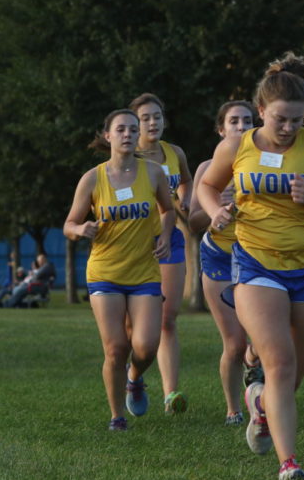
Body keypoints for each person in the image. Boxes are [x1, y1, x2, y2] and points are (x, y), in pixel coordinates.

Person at [198, 53, 304, 480]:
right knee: (281, 363)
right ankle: (290, 464)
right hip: (255, 262)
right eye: (280, 120)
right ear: (260, 112)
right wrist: (215, 211)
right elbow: (207, 184)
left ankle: (260, 407)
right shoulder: (237, 145)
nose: (288, 128)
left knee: (290, 380)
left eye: (296, 120)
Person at [64, 109, 175, 431]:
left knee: (146, 346)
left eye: (133, 129)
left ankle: (135, 378)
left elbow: (168, 210)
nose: (128, 134)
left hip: (144, 271)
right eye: (121, 129)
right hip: (105, 272)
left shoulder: (153, 173)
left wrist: (166, 234)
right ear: (108, 135)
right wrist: (80, 229)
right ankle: (117, 416)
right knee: (115, 347)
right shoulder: (92, 179)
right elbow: (68, 224)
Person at [189, 100, 261, 425]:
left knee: (261, 338)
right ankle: (234, 408)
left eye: (247, 120)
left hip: (257, 254)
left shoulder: (264, 163)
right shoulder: (207, 168)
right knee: (233, 342)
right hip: (218, 255)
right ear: (221, 129)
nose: (241, 127)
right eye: (234, 121)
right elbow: (192, 221)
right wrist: (218, 207)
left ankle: (252, 361)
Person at [129, 93, 193, 414]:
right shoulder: (129, 156)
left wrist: (186, 199)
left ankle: (171, 394)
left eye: (157, 116)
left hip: (170, 240)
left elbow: (185, 181)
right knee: (135, 328)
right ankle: (135, 376)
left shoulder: (174, 152)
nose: (153, 123)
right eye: (145, 118)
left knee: (167, 320)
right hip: (135, 244)